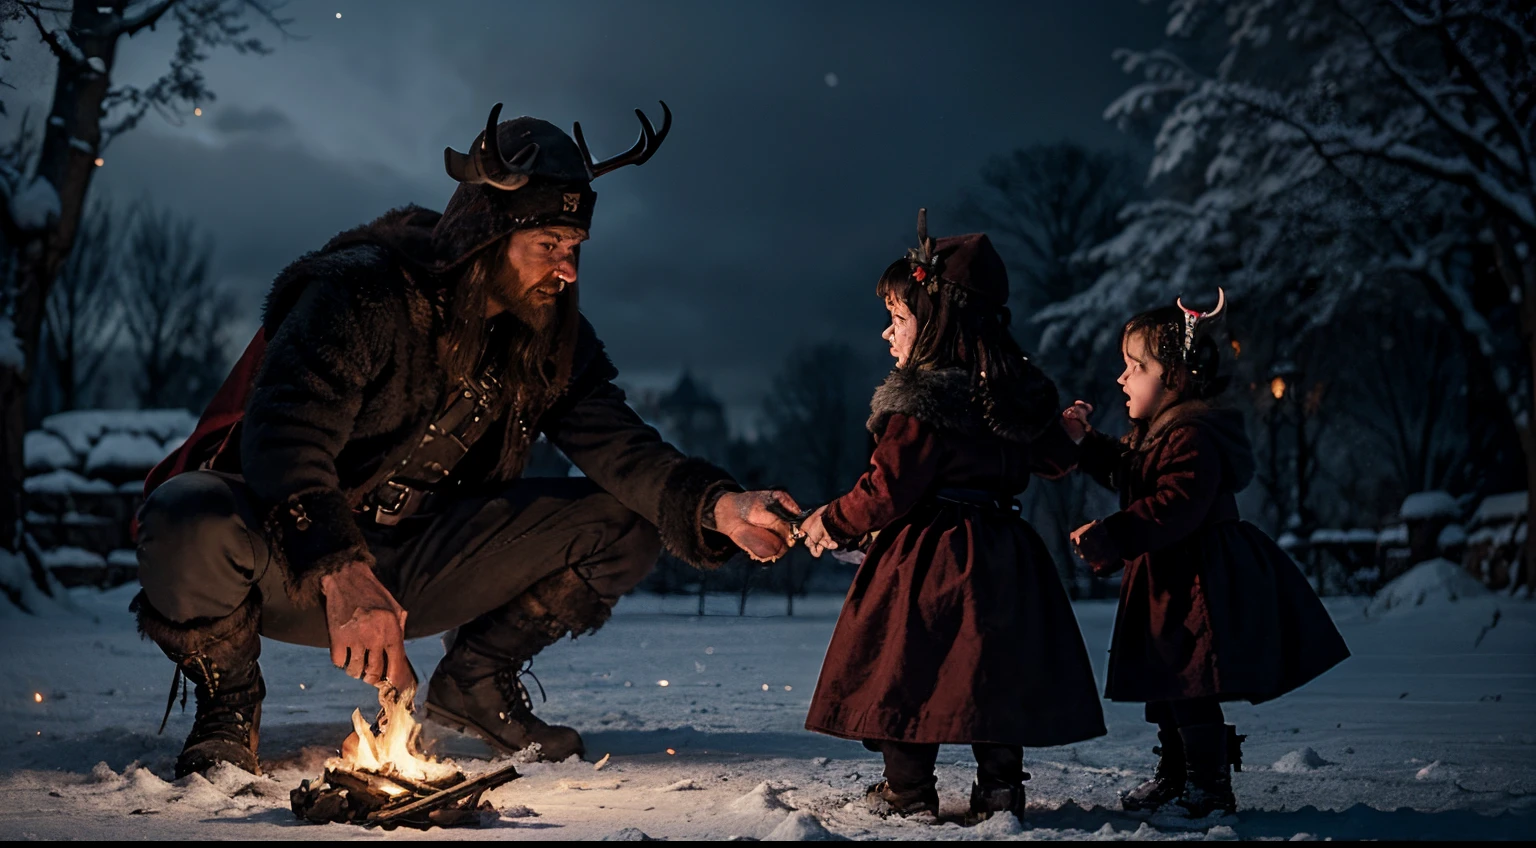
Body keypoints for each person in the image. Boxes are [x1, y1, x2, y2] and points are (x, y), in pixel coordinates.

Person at [131, 102, 801, 778]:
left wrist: (717, 507)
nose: (567, 270)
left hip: (428, 561)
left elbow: (621, 448)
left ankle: (476, 680)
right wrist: (340, 567)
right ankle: (228, 703)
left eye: (574, 249)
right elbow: (284, 435)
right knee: (185, 514)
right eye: (548, 246)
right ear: (486, 234)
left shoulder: (553, 336)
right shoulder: (363, 292)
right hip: (299, 561)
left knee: (630, 515)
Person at [798, 211, 1106, 823]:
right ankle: (999, 788)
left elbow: (887, 488)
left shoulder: (920, 406)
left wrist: (831, 521)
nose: (888, 334)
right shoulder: (1011, 397)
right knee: (993, 668)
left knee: (910, 667)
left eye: (899, 318)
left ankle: (908, 790)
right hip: (1006, 554)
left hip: (929, 557)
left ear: (939, 323)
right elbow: (1048, 456)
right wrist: (1068, 433)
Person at [1061, 293, 1350, 817]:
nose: (1122, 379)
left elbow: (1174, 504)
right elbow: (1129, 471)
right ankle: (1176, 772)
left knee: (1189, 680)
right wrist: (1088, 445)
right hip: (1168, 577)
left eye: (1135, 367)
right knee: (1168, 681)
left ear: (1173, 378)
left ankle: (1209, 780)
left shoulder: (1191, 435)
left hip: (1196, 580)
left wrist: (1113, 534)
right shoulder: (1157, 435)